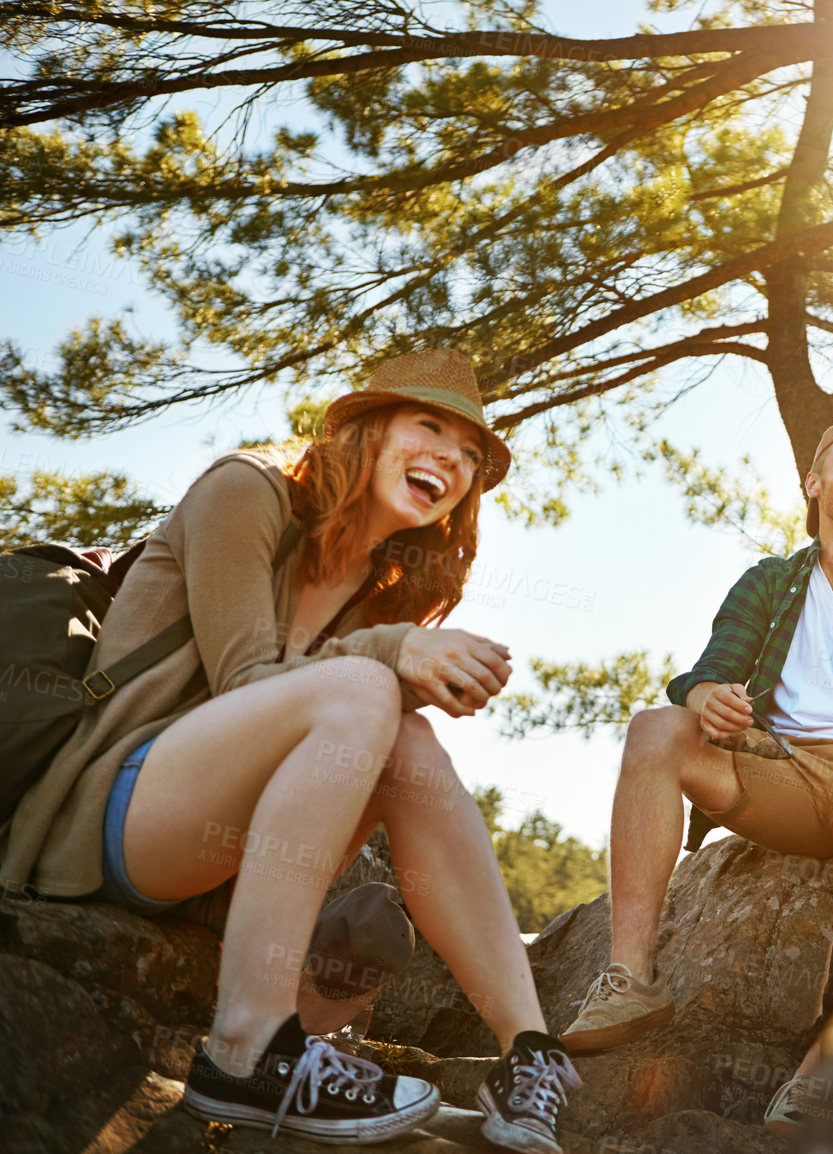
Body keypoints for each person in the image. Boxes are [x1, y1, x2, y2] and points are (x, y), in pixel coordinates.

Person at [0, 350, 576, 1152]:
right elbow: (245, 681)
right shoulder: (245, 491)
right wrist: (390, 651)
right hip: (114, 811)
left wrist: (393, 647)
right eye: (429, 425)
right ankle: (243, 1050)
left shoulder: (387, 580)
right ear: (367, 430)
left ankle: (528, 1053)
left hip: (214, 874)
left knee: (409, 732)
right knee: (372, 692)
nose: (450, 456)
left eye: (469, 452)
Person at [558, 410, 833, 1134]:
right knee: (656, 729)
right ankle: (628, 978)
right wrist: (712, 701)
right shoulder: (769, 581)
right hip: (776, 769)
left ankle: (827, 1071)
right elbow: (707, 674)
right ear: (815, 482)